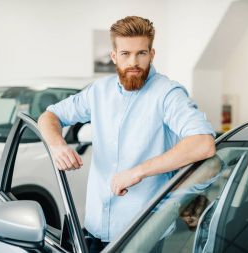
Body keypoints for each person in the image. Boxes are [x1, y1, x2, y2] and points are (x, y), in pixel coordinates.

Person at [38, 16, 215, 252]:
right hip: (93, 229)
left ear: (152, 54)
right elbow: (49, 116)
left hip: (142, 235)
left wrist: (137, 172)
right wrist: (57, 145)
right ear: (114, 56)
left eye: (141, 53)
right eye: (125, 54)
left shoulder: (168, 94)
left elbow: (203, 144)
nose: (134, 62)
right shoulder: (98, 91)